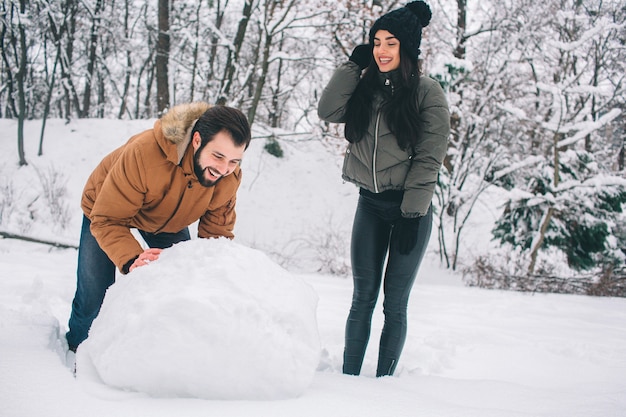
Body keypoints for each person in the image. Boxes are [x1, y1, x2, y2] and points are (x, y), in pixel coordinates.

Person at [317, 1, 450, 377]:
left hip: (410, 211)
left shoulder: (427, 93)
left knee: (395, 304)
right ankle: (348, 380)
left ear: (406, 49)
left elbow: (429, 159)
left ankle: (385, 388)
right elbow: (327, 110)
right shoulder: (364, 89)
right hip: (370, 207)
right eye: (376, 42)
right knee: (362, 299)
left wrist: (412, 213)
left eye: (390, 42)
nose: (381, 50)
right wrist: (353, 65)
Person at [66, 103, 252, 353]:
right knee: (94, 295)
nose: (223, 169)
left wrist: (215, 273)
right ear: (197, 140)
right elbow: (108, 219)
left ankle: (162, 352)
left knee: (180, 284)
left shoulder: (228, 177)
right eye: (218, 156)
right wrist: (132, 258)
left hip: (167, 221)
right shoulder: (144, 154)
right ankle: (77, 349)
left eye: (233, 161)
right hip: (107, 211)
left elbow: (215, 236)